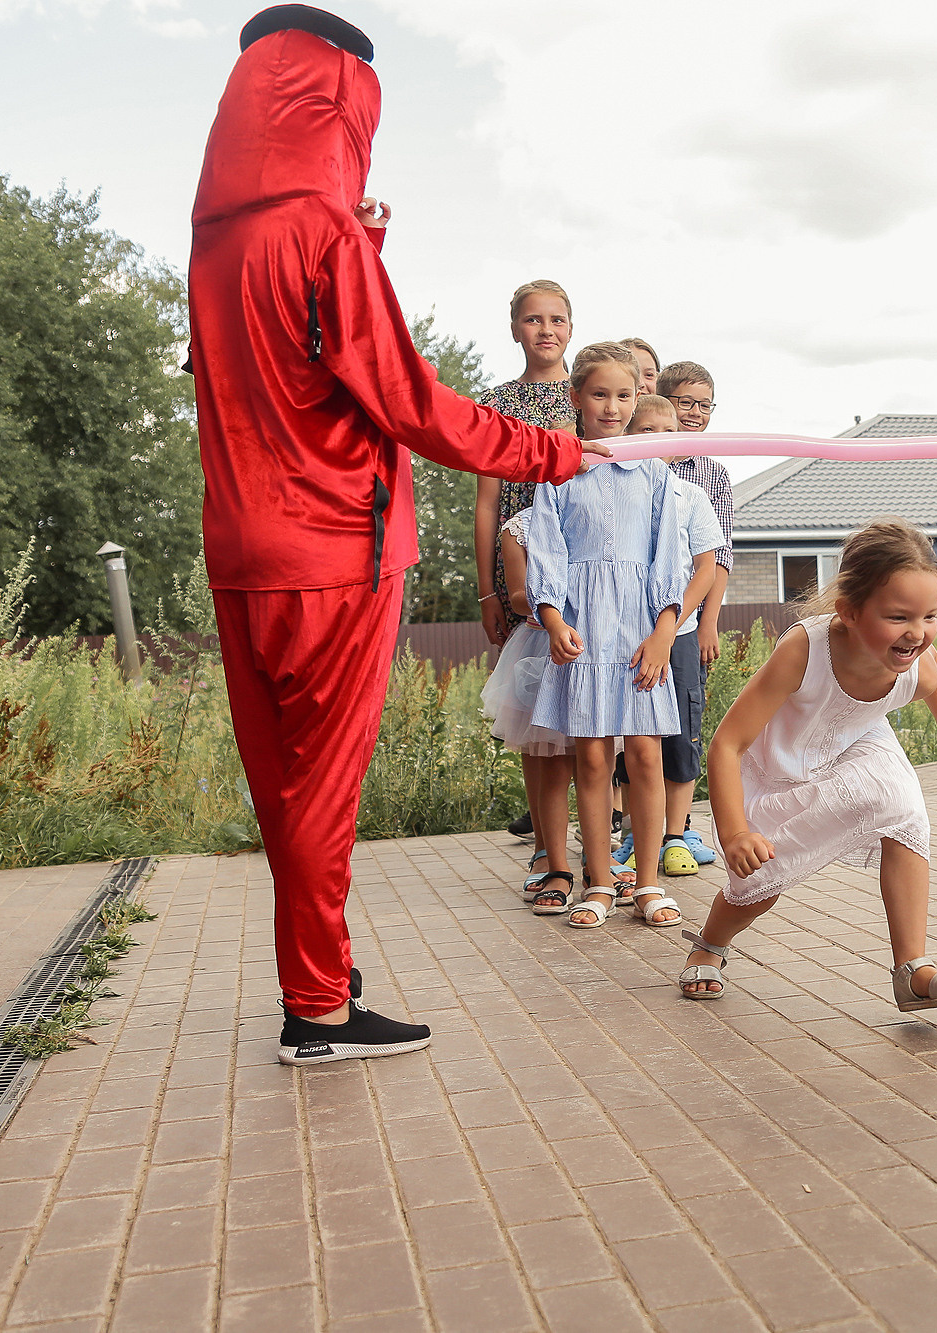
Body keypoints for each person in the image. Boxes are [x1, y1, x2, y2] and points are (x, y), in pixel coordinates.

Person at [187, 6, 602, 1066]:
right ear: (338, 107)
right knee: (319, 787)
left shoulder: (217, 240)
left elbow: (272, 368)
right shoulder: (320, 237)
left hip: (244, 550)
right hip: (334, 552)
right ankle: (318, 1010)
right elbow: (406, 403)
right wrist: (555, 453)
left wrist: (359, 246)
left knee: (285, 783)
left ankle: (313, 975)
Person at [680, 520, 937, 1012]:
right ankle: (710, 943)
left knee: (904, 809)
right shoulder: (805, 649)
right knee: (762, 881)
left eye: (931, 616)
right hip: (778, 764)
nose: (917, 633)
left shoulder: (917, 655)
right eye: (899, 617)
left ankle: (911, 967)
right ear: (849, 610)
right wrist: (734, 832)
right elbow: (726, 744)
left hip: (857, 744)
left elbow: (936, 673)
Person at [527, 345, 690, 930]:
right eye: (600, 394)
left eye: (624, 395)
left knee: (645, 755)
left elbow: (669, 563)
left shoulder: (657, 478)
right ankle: (599, 882)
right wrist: (553, 621)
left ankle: (646, 882)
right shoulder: (559, 473)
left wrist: (663, 635)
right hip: (584, 633)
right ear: (575, 398)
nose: (613, 406)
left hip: (641, 632)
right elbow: (545, 553)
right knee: (592, 759)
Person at [475, 279, 578, 843]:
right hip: (519, 565)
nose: (546, 330)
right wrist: (489, 591)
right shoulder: (497, 403)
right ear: (515, 328)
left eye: (557, 319)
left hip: (580, 561)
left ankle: (596, 826)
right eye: (534, 320)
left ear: (571, 327)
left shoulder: (588, 395)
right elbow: (488, 500)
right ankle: (546, 839)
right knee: (533, 701)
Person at [652, 361, 733, 869]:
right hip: (638, 621)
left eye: (705, 404)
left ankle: (675, 833)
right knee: (634, 733)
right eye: (685, 402)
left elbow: (718, 555)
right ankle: (632, 831)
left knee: (685, 721)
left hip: (685, 622)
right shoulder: (635, 464)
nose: (695, 413)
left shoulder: (710, 475)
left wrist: (708, 622)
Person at [479, 505, 577, 912]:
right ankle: (550, 856)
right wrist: (554, 602)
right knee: (545, 752)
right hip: (541, 643)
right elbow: (517, 595)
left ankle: (599, 860)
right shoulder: (518, 527)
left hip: (602, 639)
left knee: (599, 756)